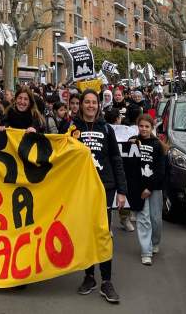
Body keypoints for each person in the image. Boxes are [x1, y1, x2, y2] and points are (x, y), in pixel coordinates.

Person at [71, 89, 127, 303]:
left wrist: (122, 190)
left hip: (105, 187)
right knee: (86, 233)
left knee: (102, 233)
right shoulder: (72, 128)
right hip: (81, 188)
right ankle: (88, 277)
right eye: (87, 102)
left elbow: (116, 158)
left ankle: (106, 281)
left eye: (94, 102)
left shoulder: (107, 129)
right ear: (81, 104)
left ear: (98, 105)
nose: (91, 106)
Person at [127, 114, 166, 266]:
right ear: (138, 126)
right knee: (143, 219)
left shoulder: (157, 145)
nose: (143, 129)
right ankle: (146, 251)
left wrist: (150, 187)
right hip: (138, 187)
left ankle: (155, 242)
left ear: (152, 128)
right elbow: (129, 165)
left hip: (154, 188)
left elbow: (161, 170)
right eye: (141, 126)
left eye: (147, 126)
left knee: (155, 219)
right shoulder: (133, 141)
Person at [104, 107, 136, 233]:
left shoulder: (127, 130)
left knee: (123, 190)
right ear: (118, 119)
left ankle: (124, 218)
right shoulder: (104, 129)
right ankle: (110, 222)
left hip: (122, 166)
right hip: (109, 167)